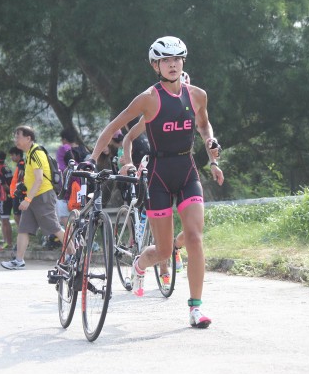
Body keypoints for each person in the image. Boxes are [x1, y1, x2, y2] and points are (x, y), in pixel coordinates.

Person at [88, 36, 224, 328]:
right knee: (162, 252)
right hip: (159, 175)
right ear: (156, 66)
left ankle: (195, 308)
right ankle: (140, 263)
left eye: (177, 59)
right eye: (165, 60)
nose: (172, 65)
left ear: (183, 62)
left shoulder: (197, 95)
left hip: (187, 171)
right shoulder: (148, 98)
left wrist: (211, 144)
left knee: (194, 237)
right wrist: (92, 158)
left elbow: (203, 125)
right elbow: (114, 127)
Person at [1, 125, 65, 270]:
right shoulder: (29, 153)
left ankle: (74, 253)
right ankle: (19, 261)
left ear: (28, 138)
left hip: (42, 196)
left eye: (18, 136)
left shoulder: (36, 153)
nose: (15, 139)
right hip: (33, 196)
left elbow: (39, 180)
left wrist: (27, 200)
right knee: (23, 228)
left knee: (54, 228)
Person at [0, 150, 14, 251]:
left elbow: (5, 186)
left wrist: (10, 193)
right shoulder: (8, 168)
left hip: (4, 198)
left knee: (5, 221)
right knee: (7, 221)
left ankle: (8, 243)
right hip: (11, 197)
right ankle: (8, 242)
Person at [8, 147, 24, 228]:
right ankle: (22, 232)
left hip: (19, 194)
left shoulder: (21, 164)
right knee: (17, 216)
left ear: (18, 155)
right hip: (17, 194)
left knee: (17, 216)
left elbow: (21, 174)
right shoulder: (19, 164)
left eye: (12, 155)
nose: (11, 157)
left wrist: (18, 187)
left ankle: (22, 232)